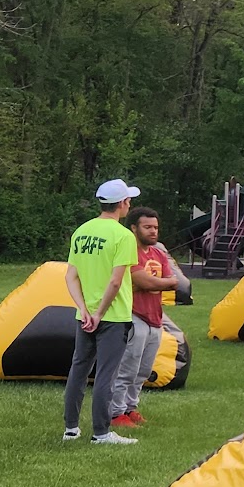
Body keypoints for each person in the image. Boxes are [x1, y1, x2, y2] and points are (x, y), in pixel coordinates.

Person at [62, 178, 140, 445]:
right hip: (113, 316)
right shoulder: (123, 236)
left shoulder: (81, 231)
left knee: (78, 370)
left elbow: (71, 276)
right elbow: (116, 281)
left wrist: (84, 309)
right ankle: (101, 432)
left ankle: (70, 429)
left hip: (84, 317)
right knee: (107, 374)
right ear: (122, 203)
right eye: (129, 200)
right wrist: (99, 313)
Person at [110, 206, 180, 428]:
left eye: (155, 227)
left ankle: (130, 408)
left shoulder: (159, 254)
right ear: (134, 228)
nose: (153, 231)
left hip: (155, 317)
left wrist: (150, 284)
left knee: (143, 370)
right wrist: (153, 283)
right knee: (127, 369)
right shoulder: (129, 252)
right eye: (147, 227)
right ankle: (115, 414)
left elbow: (173, 281)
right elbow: (145, 282)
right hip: (133, 315)